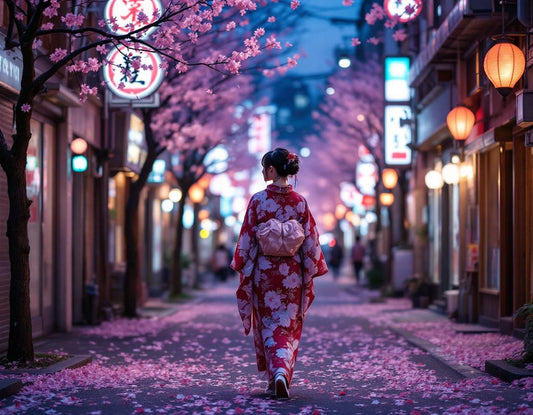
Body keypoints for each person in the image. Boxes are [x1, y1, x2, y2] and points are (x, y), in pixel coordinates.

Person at [231, 148, 328, 400]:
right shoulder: (300, 202)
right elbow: (310, 241)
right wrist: (310, 268)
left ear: (272, 170)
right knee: (288, 324)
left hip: (266, 272)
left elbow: (248, 237)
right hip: (292, 274)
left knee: (268, 324)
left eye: (264, 168)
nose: (263, 172)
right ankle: (281, 374)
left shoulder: (258, 201)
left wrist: (242, 263)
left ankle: (277, 374)